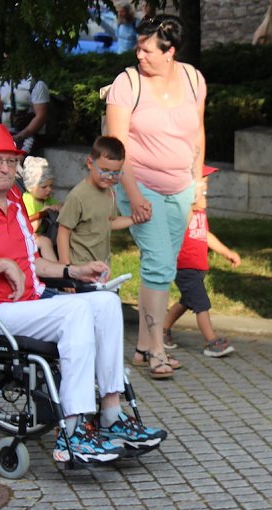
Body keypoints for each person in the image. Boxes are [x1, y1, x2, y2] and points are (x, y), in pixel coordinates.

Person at [0, 123, 168, 463]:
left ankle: (111, 416)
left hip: (32, 301)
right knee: (76, 312)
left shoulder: (14, 202)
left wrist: (74, 271)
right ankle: (72, 433)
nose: (5, 169)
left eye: (11, 162)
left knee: (104, 300)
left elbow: (32, 264)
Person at [105, 14, 207, 381]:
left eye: (147, 49)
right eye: (138, 47)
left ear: (170, 52)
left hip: (180, 185)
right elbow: (117, 147)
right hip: (139, 182)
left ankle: (141, 348)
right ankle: (157, 349)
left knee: (163, 264)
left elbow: (198, 132)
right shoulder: (126, 84)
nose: (140, 55)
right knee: (161, 261)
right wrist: (134, 195)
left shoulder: (194, 80)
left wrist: (197, 183)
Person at [163, 167, 240, 358]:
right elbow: (177, 227)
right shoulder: (179, 205)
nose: (204, 184)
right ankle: (210, 341)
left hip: (198, 264)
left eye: (205, 181)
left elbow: (204, 234)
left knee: (188, 300)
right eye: (200, 180)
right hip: (184, 264)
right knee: (201, 303)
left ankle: (162, 329)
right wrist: (191, 207)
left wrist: (225, 252)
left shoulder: (200, 209)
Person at [57, 136, 134, 269]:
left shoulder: (110, 192)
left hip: (102, 267)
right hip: (80, 268)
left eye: (115, 173)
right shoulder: (77, 196)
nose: (110, 177)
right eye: (104, 171)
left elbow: (108, 222)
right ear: (90, 163)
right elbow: (63, 232)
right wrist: (66, 269)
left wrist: (134, 219)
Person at [0, 75, 49, 157]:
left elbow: (41, 116)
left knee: (18, 158)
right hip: (7, 132)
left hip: (30, 134)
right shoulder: (3, 81)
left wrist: (20, 136)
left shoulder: (36, 84)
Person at [21, 156, 59, 261]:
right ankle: (55, 269)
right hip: (27, 236)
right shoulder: (26, 201)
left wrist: (58, 207)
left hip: (47, 233)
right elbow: (28, 229)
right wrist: (42, 213)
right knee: (44, 241)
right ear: (31, 186)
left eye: (51, 186)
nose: (49, 190)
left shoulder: (47, 199)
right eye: (44, 187)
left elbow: (60, 206)